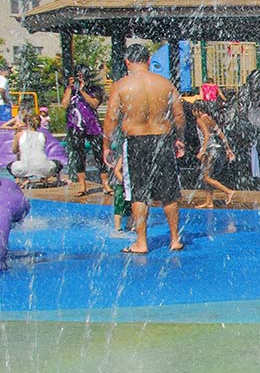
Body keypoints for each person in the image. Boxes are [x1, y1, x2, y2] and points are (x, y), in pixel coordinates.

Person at [103, 43, 187, 254]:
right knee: (169, 192)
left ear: (127, 62)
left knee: (139, 193)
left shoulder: (121, 86)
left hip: (136, 141)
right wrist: (179, 138)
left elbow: (111, 118)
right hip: (162, 139)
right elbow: (179, 115)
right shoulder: (165, 84)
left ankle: (141, 242)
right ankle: (175, 239)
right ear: (148, 61)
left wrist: (107, 146)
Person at [63, 65, 110, 197]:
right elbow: (65, 104)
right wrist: (69, 87)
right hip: (75, 126)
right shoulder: (71, 90)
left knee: (99, 154)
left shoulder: (94, 89)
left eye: (82, 75)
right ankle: (82, 186)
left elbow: (94, 104)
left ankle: (105, 184)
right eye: (77, 76)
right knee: (79, 155)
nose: (80, 78)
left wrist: (83, 91)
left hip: (92, 126)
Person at [192, 101, 236, 207]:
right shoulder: (210, 119)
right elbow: (221, 135)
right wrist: (228, 149)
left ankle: (229, 191)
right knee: (207, 175)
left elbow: (206, 136)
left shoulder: (199, 120)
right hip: (214, 149)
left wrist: (203, 151)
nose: (192, 112)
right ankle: (209, 202)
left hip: (208, 150)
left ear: (198, 110)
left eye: (194, 110)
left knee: (206, 177)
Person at [7, 110, 61, 185]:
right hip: (45, 169)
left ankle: (24, 179)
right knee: (58, 164)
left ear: (26, 123)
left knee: (9, 166)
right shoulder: (43, 135)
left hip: (24, 170)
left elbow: (14, 151)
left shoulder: (19, 134)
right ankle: (44, 178)